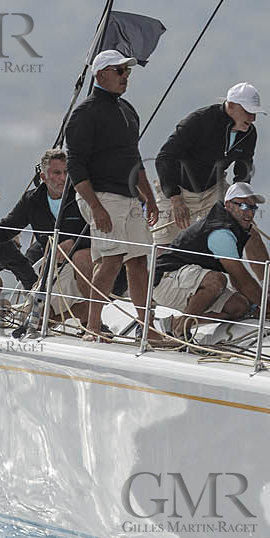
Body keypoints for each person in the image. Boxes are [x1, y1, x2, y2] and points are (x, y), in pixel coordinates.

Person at [67, 49, 160, 339]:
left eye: (127, 72)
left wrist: (150, 197)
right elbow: (75, 165)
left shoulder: (128, 110)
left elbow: (134, 157)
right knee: (112, 258)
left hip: (129, 196)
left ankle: (147, 329)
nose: (126, 77)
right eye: (120, 71)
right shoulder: (85, 113)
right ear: (101, 74)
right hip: (101, 195)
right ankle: (92, 327)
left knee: (138, 261)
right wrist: (96, 207)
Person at [153, 82, 269, 269]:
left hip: (213, 188)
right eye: (248, 111)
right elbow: (164, 158)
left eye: (255, 112)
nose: (253, 118)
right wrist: (175, 198)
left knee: (249, 230)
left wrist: (241, 202)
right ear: (231, 105)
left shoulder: (249, 133)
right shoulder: (199, 120)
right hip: (177, 189)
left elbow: (243, 170)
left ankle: (268, 291)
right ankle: (157, 290)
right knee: (165, 246)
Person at [152, 183, 270, 338]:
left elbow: (237, 280)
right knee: (216, 280)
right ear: (228, 205)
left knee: (239, 307)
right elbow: (241, 279)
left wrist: (255, 306)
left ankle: (175, 323)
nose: (249, 213)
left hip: (191, 280)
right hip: (165, 281)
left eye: (253, 208)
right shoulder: (221, 232)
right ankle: (182, 331)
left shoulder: (234, 227)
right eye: (243, 206)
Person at [0, 148, 94, 326]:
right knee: (32, 318)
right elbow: (5, 230)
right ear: (43, 177)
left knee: (83, 256)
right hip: (52, 265)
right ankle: (79, 311)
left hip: (82, 266)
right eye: (57, 173)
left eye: (66, 172)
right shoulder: (33, 199)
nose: (63, 178)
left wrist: (72, 243)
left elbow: (101, 231)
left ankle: (94, 321)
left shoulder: (83, 195)